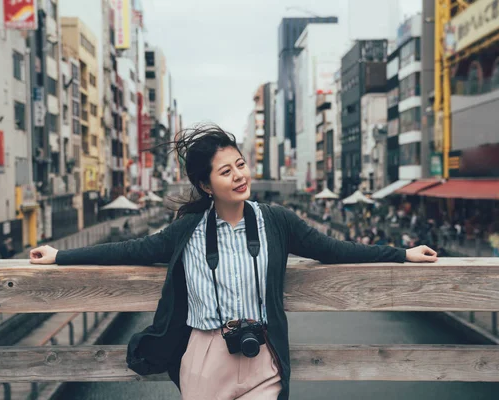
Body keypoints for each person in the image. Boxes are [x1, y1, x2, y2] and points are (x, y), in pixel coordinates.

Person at [29, 124, 438, 400]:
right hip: (204, 358)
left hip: (262, 355)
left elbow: (334, 249)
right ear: (206, 185)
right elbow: (127, 251)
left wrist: (401, 254)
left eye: (241, 164)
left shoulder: (276, 221)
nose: (240, 175)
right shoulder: (186, 231)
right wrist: (60, 255)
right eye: (226, 171)